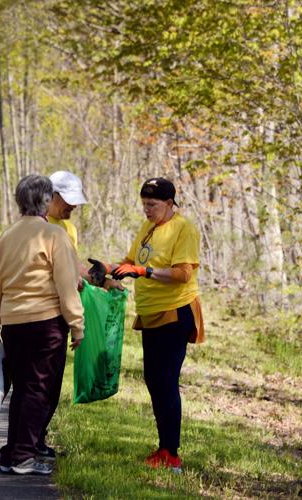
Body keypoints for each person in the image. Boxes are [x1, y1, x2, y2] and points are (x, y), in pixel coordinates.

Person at [88, 177, 204, 473]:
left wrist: (144, 271)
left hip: (175, 313)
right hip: (151, 313)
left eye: (152, 204)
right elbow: (130, 261)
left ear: (169, 202)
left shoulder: (184, 229)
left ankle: (173, 454)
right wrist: (107, 268)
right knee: (153, 380)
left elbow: (182, 274)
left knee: (166, 381)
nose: (147, 209)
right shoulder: (148, 228)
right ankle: (163, 447)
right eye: (144, 204)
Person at [0, 174, 84, 476]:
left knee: (25, 388)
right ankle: (24, 456)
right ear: (46, 202)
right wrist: (77, 325)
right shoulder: (54, 236)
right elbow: (67, 285)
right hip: (45, 323)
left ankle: (11, 453)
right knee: (38, 389)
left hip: (13, 324)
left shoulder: (7, 236)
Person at [47, 170, 123, 291]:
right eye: (69, 200)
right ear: (52, 196)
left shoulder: (70, 228)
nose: (74, 206)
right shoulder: (38, 226)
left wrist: (103, 281)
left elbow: (73, 264)